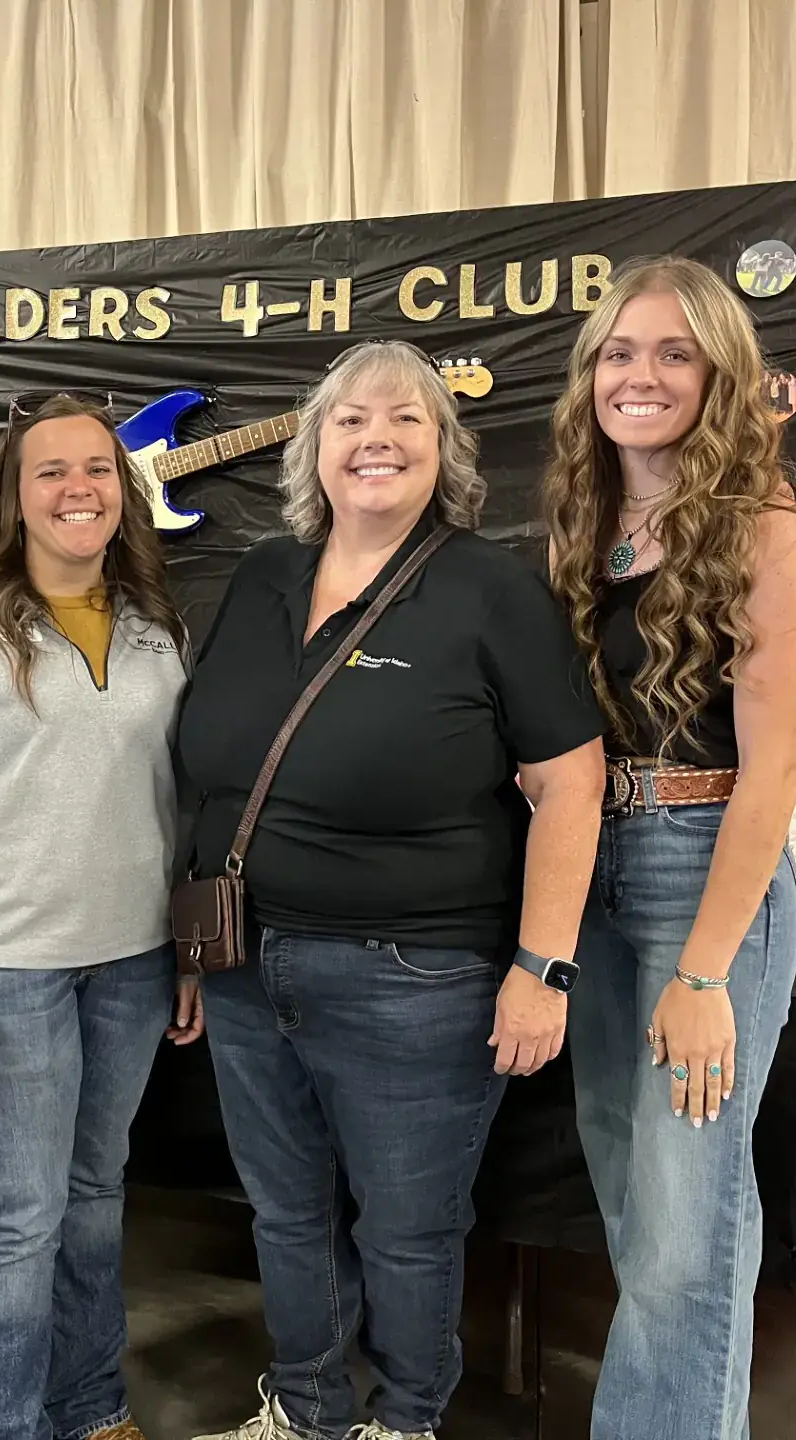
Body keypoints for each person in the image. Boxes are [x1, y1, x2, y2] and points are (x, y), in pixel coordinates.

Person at [178, 340, 606, 1440]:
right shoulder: (266, 574)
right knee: (285, 1214)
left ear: (445, 451)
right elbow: (215, 766)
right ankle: (308, 1411)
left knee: (408, 1232)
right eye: (351, 420)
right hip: (244, 963)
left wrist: (541, 969)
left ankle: (406, 1421)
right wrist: (194, 945)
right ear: (313, 450)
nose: (376, 439)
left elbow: (570, 786)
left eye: (407, 420)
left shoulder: (488, 588)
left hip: (417, 977)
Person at [0, 392, 202, 1440]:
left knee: (96, 1198)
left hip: (134, 965)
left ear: (125, 490)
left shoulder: (158, 626)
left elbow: (179, 801)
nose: (78, 489)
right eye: (50, 472)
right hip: (8, 973)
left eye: (98, 470)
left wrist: (187, 956)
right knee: (16, 1219)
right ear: (13, 501)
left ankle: (88, 1404)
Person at [544, 255, 796, 1440]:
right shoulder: (586, 523)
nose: (639, 376)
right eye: (620, 352)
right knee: (641, 1208)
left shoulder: (766, 530)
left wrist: (704, 972)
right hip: (593, 869)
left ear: (720, 375)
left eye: (673, 353)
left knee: (689, 1224)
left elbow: (776, 776)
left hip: (707, 869)